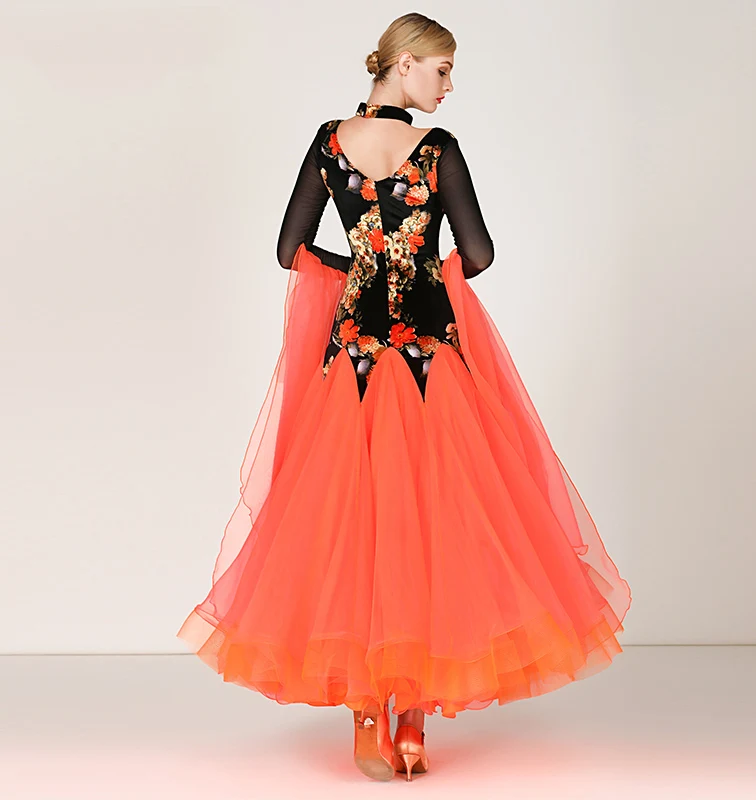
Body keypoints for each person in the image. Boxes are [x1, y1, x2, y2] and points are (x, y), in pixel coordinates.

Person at [177, 12, 632, 783]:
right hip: (429, 360)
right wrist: (421, 270)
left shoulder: (330, 142)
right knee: (435, 524)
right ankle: (413, 723)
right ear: (405, 63)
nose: (449, 85)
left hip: (352, 360)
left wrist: (361, 266)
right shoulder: (437, 150)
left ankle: (367, 713)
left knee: (351, 530)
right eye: (442, 69)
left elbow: (289, 250)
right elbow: (478, 253)